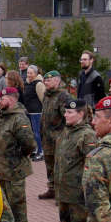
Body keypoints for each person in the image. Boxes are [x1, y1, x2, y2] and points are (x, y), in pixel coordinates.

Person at [49, 100, 96, 222]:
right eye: (65, 112)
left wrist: (87, 189)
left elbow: (92, 165)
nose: (65, 115)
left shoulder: (87, 135)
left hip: (78, 193)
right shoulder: (65, 132)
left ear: (81, 114)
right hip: (64, 191)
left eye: (70, 112)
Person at [0, 87, 35, 222]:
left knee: (17, 202)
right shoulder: (4, 115)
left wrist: (17, 157)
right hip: (1, 168)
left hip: (14, 168)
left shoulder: (19, 118)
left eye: (2, 99)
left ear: (10, 99)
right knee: (3, 201)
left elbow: (29, 144)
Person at [39, 71, 71, 200]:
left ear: (57, 81)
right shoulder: (47, 95)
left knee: (60, 167)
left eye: (49, 80)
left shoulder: (63, 96)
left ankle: (60, 192)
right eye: (45, 80)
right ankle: (51, 188)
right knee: (49, 165)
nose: (46, 82)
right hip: (47, 137)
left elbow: (68, 117)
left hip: (59, 137)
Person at [22, 65, 46, 162]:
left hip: (36, 112)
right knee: (32, 133)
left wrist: (43, 112)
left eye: (31, 73)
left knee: (37, 133)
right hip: (29, 112)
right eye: (28, 73)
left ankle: (41, 152)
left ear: (36, 74)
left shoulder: (39, 84)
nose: (29, 75)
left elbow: (43, 99)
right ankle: (36, 150)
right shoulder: (27, 84)